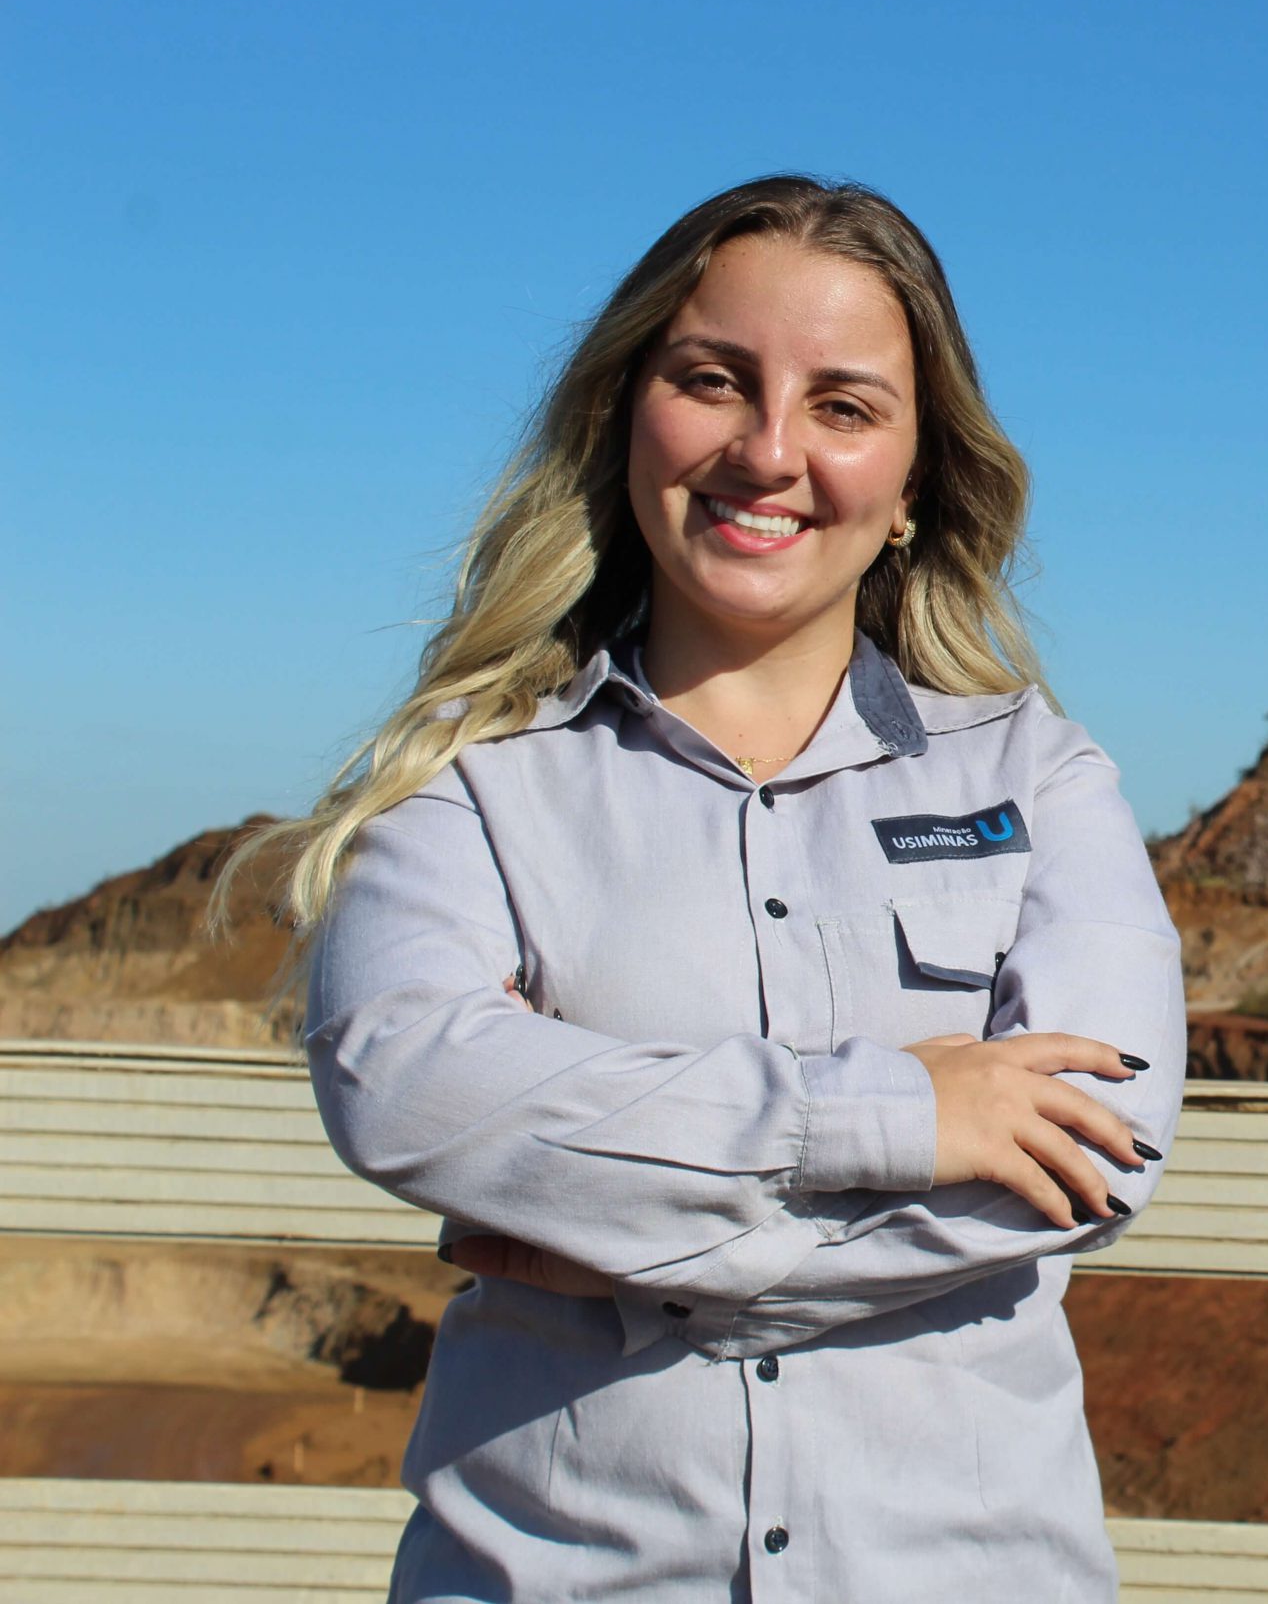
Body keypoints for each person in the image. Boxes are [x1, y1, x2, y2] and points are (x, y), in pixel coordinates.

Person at [235, 175, 1186, 1600]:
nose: (769, 451)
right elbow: (404, 1081)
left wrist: (604, 1225)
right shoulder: (473, 778)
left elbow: (1096, 1155)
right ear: (629, 409)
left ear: (919, 475)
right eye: (713, 381)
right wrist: (902, 1115)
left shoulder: (1039, 779)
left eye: (845, 406)